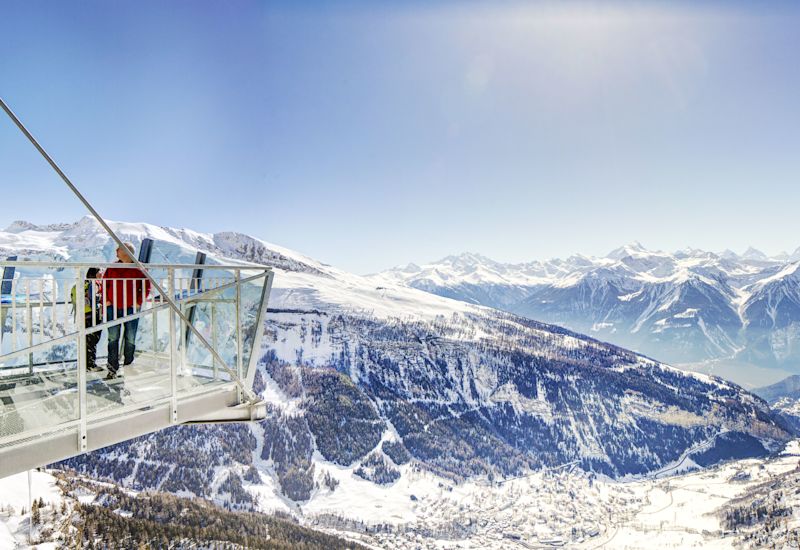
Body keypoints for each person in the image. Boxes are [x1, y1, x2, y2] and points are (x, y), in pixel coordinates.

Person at [101, 243, 151, 380]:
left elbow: (146, 286)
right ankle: (112, 369)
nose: (116, 250)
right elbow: (104, 284)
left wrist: (138, 302)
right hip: (113, 307)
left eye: (119, 248)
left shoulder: (139, 267)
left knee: (130, 337)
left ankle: (128, 366)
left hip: (131, 308)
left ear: (126, 252)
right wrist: (106, 300)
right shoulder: (112, 267)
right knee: (113, 337)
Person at [70, 267, 103, 372]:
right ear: (95, 274)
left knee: (87, 340)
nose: (102, 273)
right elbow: (94, 301)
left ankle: (85, 364)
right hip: (93, 315)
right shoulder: (94, 284)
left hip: (83, 315)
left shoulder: (82, 284)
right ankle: (90, 365)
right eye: (100, 272)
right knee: (93, 340)